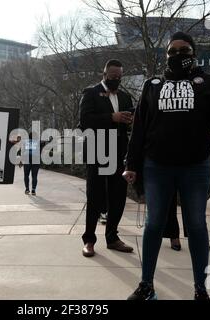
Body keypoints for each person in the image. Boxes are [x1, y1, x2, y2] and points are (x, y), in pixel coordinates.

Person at [123, 32, 210, 300]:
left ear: (193, 53)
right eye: (172, 51)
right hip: (157, 166)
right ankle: (146, 285)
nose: (177, 55)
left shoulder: (206, 82)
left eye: (183, 50)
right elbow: (139, 128)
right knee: (153, 226)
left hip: (195, 166)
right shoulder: (152, 84)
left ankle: (200, 288)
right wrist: (132, 163)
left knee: (196, 226)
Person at [79, 59, 135, 257]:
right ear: (104, 74)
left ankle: (112, 237)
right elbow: (84, 121)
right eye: (113, 77)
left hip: (119, 152)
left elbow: (128, 124)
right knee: (94, 197)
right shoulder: (91, 93)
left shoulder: (125, 96)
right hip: (97, 150)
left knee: (118, 197)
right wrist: (112, 117)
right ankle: (89, 240)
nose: (116, 80)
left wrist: (129, 120)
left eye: (120, 77)